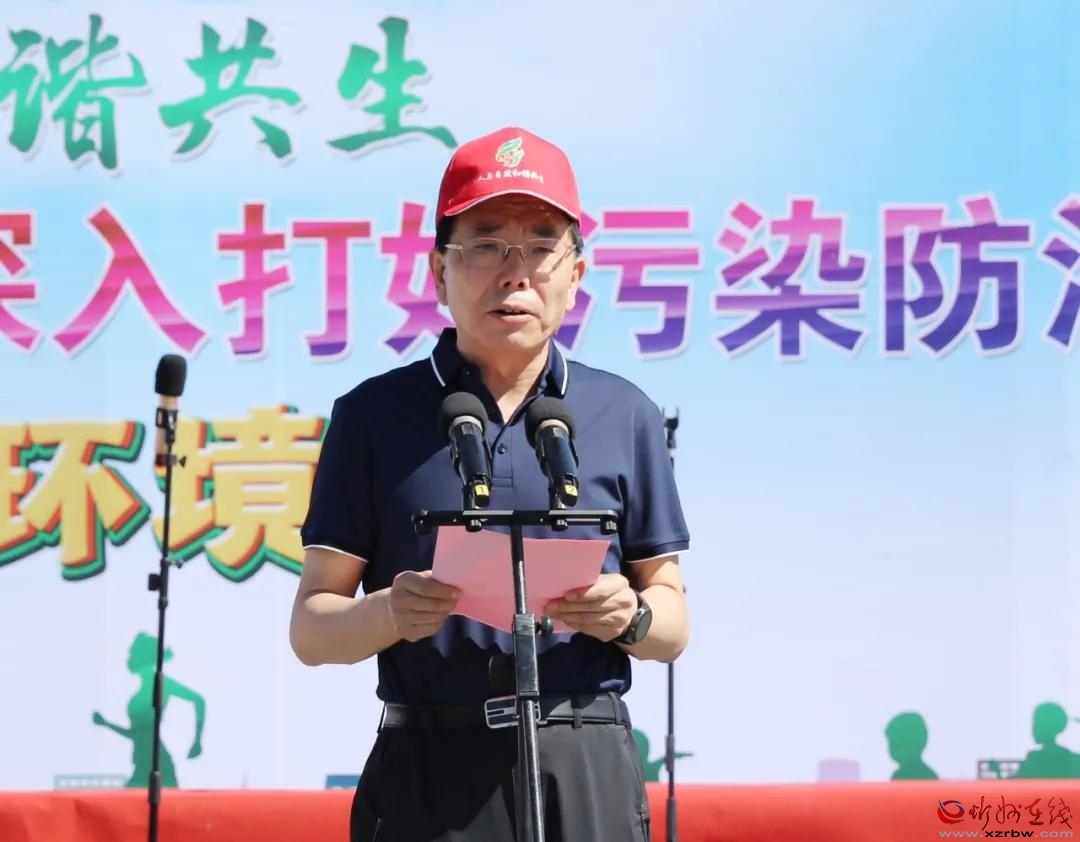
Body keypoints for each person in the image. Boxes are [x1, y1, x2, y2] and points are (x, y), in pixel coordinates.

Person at [290, 125, 691, 842]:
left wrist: (627, 615)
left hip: (586, 758)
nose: (515, 273)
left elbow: (672, 620)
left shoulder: (623, 413)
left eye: (540, 246)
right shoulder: (373, 416)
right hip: (430, 769)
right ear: (438, 270)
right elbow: (313, 629)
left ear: (576, 272)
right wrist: (391, 612)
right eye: (485, 244)